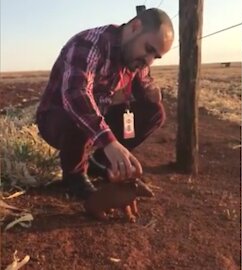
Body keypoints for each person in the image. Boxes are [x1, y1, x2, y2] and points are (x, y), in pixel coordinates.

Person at [36, 8, 174, 199]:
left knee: (154, 112)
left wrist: (150, 92)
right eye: (149, 49)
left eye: (156, 57)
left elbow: (146, 89)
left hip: (98, 116)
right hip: (59, 118)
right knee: (80, 110)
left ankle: (98, 162)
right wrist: (109, 142)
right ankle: (75, 177)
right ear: (135, 27)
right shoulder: (90, 43)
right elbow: (76, 95)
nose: (149, 61)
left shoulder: (136, 58)